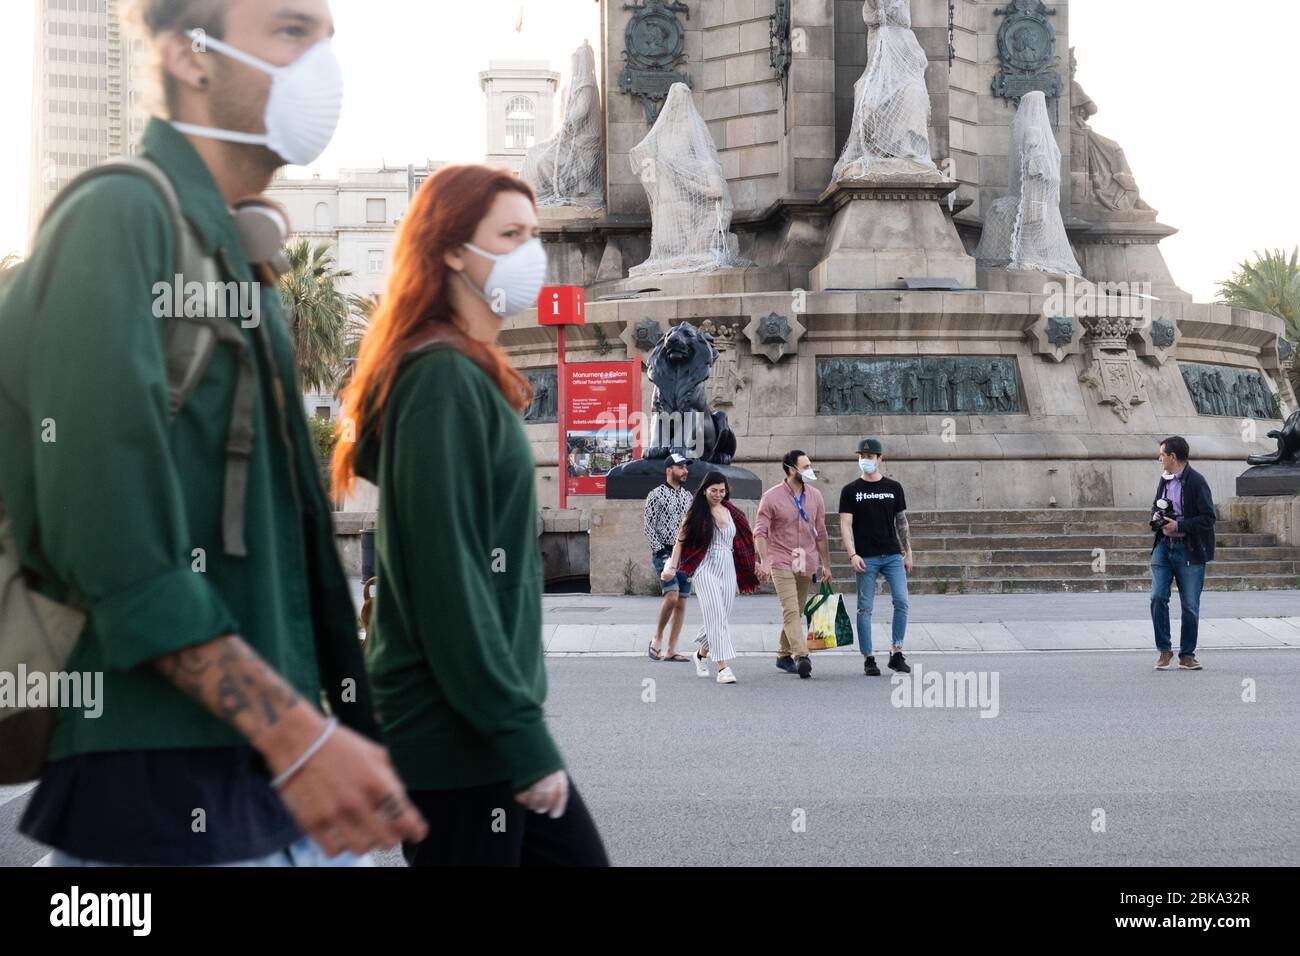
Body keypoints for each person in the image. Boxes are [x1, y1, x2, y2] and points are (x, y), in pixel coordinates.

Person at [0, 0, 426, 867]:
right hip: (159, 788)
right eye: (291, 31)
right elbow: (109, 540)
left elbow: (297, 556)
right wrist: (301, 735)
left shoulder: (239, 259)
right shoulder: (118, 215)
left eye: (327, 39)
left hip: (268, 791)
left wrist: (352, 731)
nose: (323, 65)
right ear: (189, 58)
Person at [333, 163, 608, 866]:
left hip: (478, 724)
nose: (531, 252)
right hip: (456, 735)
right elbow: (446, 581)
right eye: (510, 234)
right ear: (453, 249)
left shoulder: (461, 369)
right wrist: (520, 738)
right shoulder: (442, 380)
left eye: (534, 235)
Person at [660, 473, 764, 683]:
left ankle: (700, 655)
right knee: (716, 616)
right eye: (713, 490)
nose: (718, 494)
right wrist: (671, 566)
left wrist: (754, 562)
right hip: (705, 567)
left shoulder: (733, 512)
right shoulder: (696, 512)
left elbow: (741, 544)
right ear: (705, 489)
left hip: (728, 567)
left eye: (722, 490)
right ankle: (723, 667)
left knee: (720, 616)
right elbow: (680, 541)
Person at [754, 450, 832, 679]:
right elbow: (760, 531)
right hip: (781, 559)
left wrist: (826, 565)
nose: (810, 470)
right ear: (791, 469)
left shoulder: (815, 496)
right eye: (805, 466)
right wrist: (765, 560)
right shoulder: (771, 497)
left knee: (796, 610)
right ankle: (802, 655)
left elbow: (821, 533)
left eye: (810, 465)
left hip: (806, 560)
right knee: (790, 609)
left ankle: (783, 655)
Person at [839, 438, 913, 677]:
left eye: (870, 457)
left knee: (901, 601)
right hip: (865, 556)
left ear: (880, 459)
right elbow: (845, 524)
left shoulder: (894, 487)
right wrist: (852, 554)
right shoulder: (850, 490)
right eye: (862, 456)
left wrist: (908, 552)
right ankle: (868, 657)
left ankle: (896, 651)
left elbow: (901, 521)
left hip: (892, 554)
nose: (865, 460)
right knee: (864, 608)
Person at [1150, 436, 1216, 671]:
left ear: (1173, 457)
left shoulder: (1196, 481)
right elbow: (1157, 504)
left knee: (1189, 605)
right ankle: (1164, 650)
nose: (1159, 459)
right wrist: (1156, 516)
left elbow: (1209, 518)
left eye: (1162, 455)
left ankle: (1186, 655)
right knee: (1158, 597)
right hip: (1163, 547)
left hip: (1189, 550)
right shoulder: (1165, 479)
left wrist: (1179, 526)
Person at [644, 453, 694, 662]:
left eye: (685, 467)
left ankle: (672, 649)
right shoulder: (655, 494)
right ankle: (657, 637)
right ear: (669, 470)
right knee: (671, 596)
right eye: (680, 467)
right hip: (664, 552)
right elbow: (648, 526)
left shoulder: (688, 496)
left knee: (682, 601)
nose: (685, 471)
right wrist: (660, 551)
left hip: (685, 554)